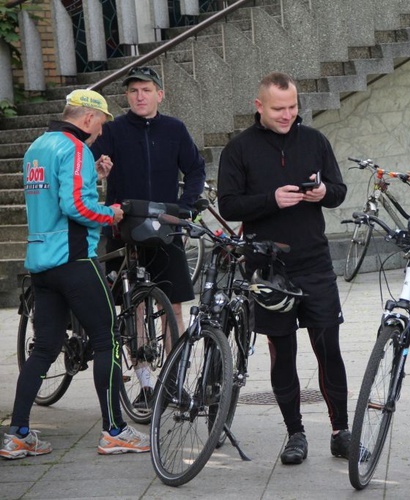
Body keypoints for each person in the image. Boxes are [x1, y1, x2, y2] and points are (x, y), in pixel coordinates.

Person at [1, 89, 150, 459]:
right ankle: (114, 430)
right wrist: (110, 213)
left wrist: (94, 176)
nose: (100, 133)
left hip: (41, 263)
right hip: (75, 261)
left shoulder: (37, 145)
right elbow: (76, 206)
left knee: (44, 348)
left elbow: (54, 197)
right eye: (100, 124)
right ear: (87, 118)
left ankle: (18, 433)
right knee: (108, 340)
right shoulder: (76, 148)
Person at [217, 71, 351, 465]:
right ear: (259, 106)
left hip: (314, 261)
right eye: (279, 108)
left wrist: (326, 192)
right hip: (266, 268)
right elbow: (228, 205)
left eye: (293, 107)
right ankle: (295, 433)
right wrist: (271, 199)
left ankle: (341, 430)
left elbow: (339, 191)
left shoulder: (314, 140)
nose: (287, 114)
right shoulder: (239, 148)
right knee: (284, 351)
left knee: (329, 346)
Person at [91, 66, 206, 405]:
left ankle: (173, 381)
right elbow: (90, 163)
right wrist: (99, 170)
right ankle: (145, 384)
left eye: (146, 90)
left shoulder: (174, 129)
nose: (139, 96)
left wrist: (186, 207)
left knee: (174, 306)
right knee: (135, 307)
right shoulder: (112, 130)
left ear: (160, 94)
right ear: (127, 97)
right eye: (133, 91)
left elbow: (196, 167)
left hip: (164, 227)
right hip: (123, 227)